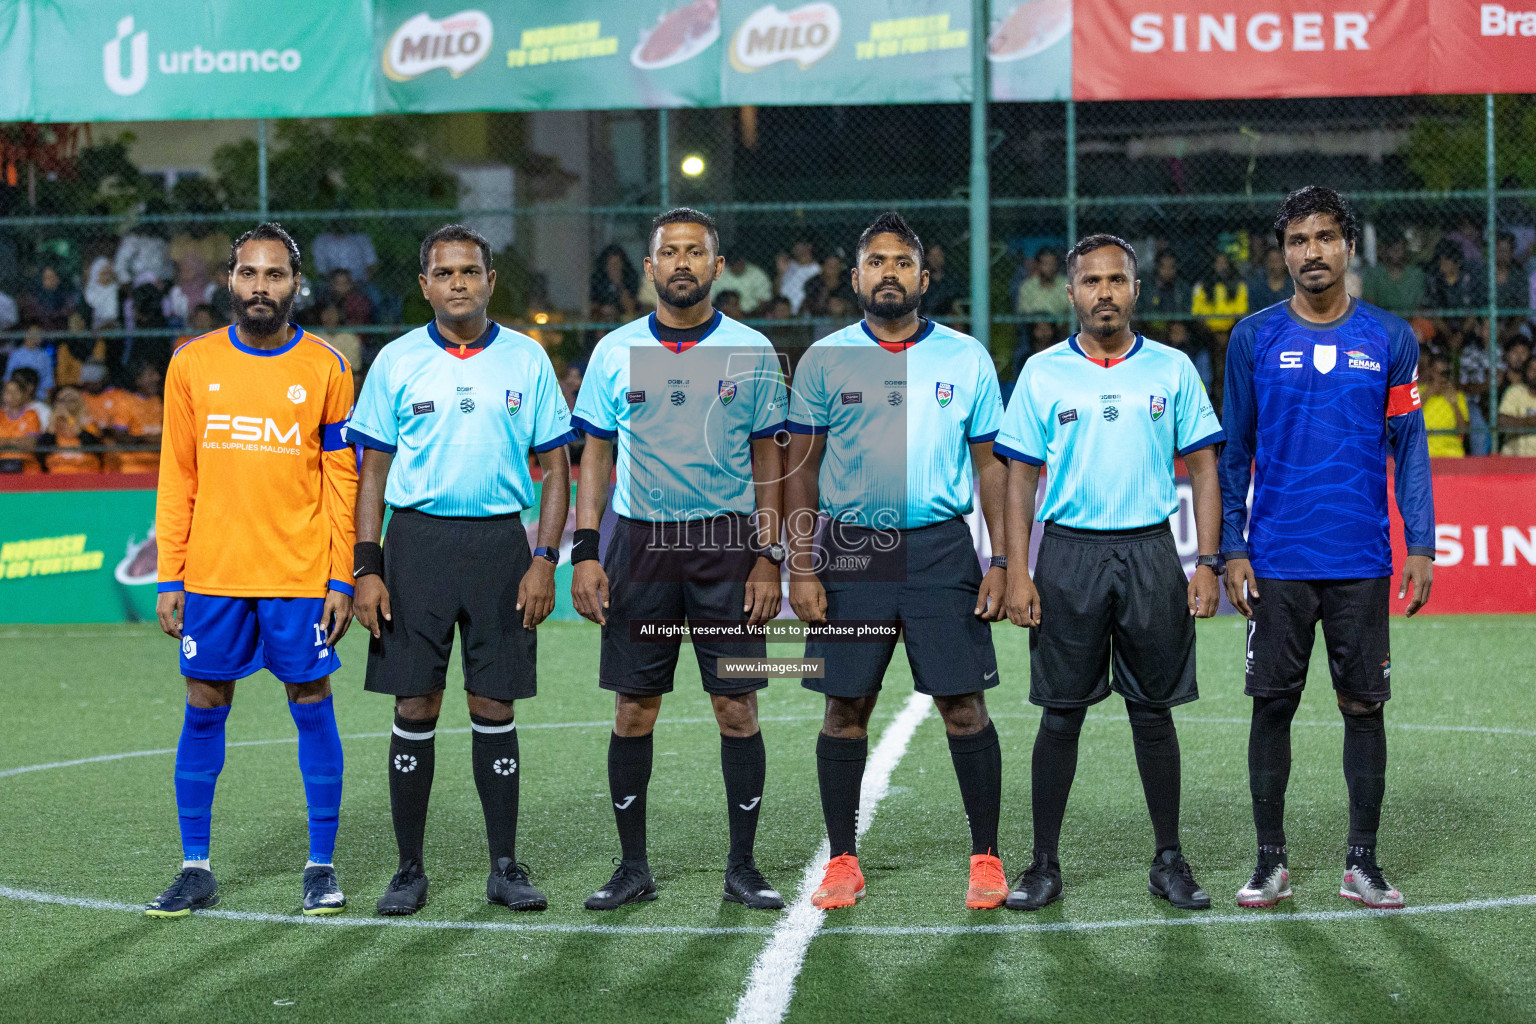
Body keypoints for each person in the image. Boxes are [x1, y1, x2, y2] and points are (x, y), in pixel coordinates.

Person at [348, 224, 576, 917]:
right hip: (415, 545)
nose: (458, 283)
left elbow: (557, 467)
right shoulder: (395, 360)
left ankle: (504, 866)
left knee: (494, 705)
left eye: (470, 272)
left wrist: (544, 557)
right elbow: (372, 471)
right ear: (425, 285)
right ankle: (408, 870)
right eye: (444, 273)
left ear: (489, 281)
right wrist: (367, 566)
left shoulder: (527, 360)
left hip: (502, 548)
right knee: (414, 703)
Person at [785, 212, 1010, 911]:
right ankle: (842, 861)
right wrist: (801, 564)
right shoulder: (825, 358)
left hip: (942, 546)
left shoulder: (965, 356)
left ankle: (986, 859)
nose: (889, 273)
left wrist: (1002, 557)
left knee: (964, 707)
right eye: (876, 262)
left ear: (923, 275)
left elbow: (992, 467)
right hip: (852, 548)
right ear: (855, 278)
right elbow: (799, 468)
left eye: (902, 262)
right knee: (844, 708)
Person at [1220, 186, 1434, 911]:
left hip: (1361, 559)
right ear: (1283, 253)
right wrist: (1231, 548)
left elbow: (1410, 449)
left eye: (1324, 238)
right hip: (1277, 560)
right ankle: (1270, 863)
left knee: (1363, 706)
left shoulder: (1390, 338)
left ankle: (1361, 865)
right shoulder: (1254, 338)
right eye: (1298, 241)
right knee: (1271, 707)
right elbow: (1233, 452)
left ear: (1349, 245)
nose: (1312, 252)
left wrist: (1422, 543)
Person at [569, 207, 788, 912]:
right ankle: (632, 866)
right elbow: (595, 455)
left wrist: (769, 555)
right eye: (671, 253)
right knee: (635, 709)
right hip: (639, 545)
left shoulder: (752, 350)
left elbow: (770, 459)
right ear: (650, 268)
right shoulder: (614, 351)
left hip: (727, 545)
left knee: (737, 709)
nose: (684, 263)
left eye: (697, 252)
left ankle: (743, 866)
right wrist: (586, 550)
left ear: (718, 268)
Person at [995, 234, 1222, 913]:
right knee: (1059, 716)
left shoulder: (1173, 368)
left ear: (1135, 289)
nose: (1103, 292)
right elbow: (1018, 481)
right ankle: (1042, 866)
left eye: (1116, 280)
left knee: (1153, 714)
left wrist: (1205, 562)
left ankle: (1169, 860)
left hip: (1152, 552)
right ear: (1070, 292)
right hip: (1067, 556)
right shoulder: (1041, 373)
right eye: (1090, 281)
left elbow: (1205, 469)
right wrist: (1016, 569)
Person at [146, 222, 357, 919]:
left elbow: (340, 482)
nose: (260, 287)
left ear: (296, 284)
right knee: (204, 707)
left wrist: (340, 577)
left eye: (274, 275)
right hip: (212, 576)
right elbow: (177, 477)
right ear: (229, 281)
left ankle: (321, 867)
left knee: (311, 705)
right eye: (247, 274)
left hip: (298, 577)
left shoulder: (325, 366)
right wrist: (170, 575)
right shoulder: (190, 363)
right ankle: (195, 866)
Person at [1418, 354, 1469, 457]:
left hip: (1452, 451)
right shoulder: (1417, 392)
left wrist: (1455, 405)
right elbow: (1407, 421)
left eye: (1445, 373)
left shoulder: (1458, 396)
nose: (1441, 377)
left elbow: (1463, 431)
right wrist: (1428, 394)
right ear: (1430, 372)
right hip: (1424, 452)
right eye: (1438, 373)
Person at [1361, 234, 1424, 315]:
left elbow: (1419, 305)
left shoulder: (1415, 274)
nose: (1396, 253)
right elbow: (1369, 302)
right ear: (1385, 250)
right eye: (1392, 249)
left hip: (1410, 319)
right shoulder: (1374, 273)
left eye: (1399, 249)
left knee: (1423, 324)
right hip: (1382, 318)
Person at [1191, 251, 1248, 335]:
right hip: (1207, 331)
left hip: (1231, 330)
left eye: (1224, 263)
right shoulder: (1200, 286)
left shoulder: (1239, 285)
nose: (1222, 266)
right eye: (1218, 263)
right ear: (1213, 265)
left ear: (1229, 265)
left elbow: (1241, 311)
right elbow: (1196, 311)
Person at [313, 221, 379, 284]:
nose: (341, 223)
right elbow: (320, 268)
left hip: (360, 282)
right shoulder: (322, 240)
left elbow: (372, 265)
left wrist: (361, 281)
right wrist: (335, 283)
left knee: (374, 294)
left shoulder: (362, 239)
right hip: (331, 284)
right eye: (337, 221)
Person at [5, 328, 54, 415]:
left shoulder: (45, 356)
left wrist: (48, 403)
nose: (37, 336)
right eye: (34, 333)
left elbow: (48, 383)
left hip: (39, 397)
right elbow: (8, 379)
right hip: (17, 398)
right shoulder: (16, 354)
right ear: (26, 334)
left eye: (39, 334)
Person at [1014, 247, 1072, 321]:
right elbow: (1024, 312)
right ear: (1038, 266)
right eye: (1046, 264)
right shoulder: (1027, 286)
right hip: (1034, 326)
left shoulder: (1065, 283)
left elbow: (1070, 309)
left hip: (1059, 326)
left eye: (1052, 264)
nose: (1050, 268)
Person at [0, 377, 41, 473]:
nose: (12, 396)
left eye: (16, 392)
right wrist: (17, 440)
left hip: (26, 465)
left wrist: (5, 441)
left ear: (24, 395)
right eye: (8, 392)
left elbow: (29, 444)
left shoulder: (32, 415)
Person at [1498, 356, 1536, 456]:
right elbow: (1502, 421)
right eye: (1532, 369)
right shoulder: (1515, 391)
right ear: (1526, 372)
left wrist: (1521, 423)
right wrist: (1530, 422)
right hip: (1514, 460)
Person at [21, 266, 76, 331]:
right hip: (41, 337)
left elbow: (71, 316)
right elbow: (29, 321)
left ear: (58, 279)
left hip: (62, 336)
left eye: (52, 277)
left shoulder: (67, 299)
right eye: (46, 278)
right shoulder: (33, 300)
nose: (50, 281)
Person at [591, 243, 640, 316]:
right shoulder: (598, 279)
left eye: (617, 264)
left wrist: (619, 284)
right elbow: (592, 306)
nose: (614, 268)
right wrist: (602, 310)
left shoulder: (630, 278)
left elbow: (630, 308)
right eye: (610, 264)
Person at [920, 243, 962, 319]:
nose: (935, 259)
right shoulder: (923, 280)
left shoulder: (951, 279)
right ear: (928, 258)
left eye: (938, 255)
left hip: (948, 313)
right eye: (932, 256)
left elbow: (956, 300)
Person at [777, 241, 820, 314]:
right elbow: (776, 292)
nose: (795, 247)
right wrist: (780, 273)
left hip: (804, 314)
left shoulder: (817, 269)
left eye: (798, 244)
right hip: (783, 313)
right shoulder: (788, 265)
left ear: (809, 246)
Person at [8, 366, 50, 431]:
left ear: (30, 387)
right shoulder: (5, 410)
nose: (13, 386)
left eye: (18, 383)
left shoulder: (43, 412)